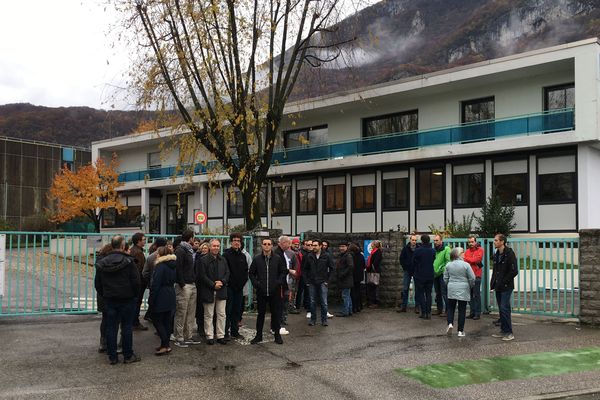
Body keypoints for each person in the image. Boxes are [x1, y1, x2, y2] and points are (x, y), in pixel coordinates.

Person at [94, 235, 141, 365]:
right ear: (122, 246)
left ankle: (112, 356)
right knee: (126, 327)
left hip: (110, 299)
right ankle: (127, 355)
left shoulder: (102, 262)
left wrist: (105, 294)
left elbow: (98, 283)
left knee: (111, 327)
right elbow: (136, 282)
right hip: (127, 299)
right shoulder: (129, 262)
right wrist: (134, 295)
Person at [249, 237, 287, 345]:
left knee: (276, 314)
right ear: (262, 246)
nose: (266, 246)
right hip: (261, 291)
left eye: (268, 244)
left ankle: (277, 335)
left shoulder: (277, 258)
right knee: (261, 314)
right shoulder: (256, 259)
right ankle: (258, 335)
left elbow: (283, 272)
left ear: (271, 246)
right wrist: (256, 284)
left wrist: (278, 282)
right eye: (264, 244)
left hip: (274, 291)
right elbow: (251, 273)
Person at [198, 238, 230, 345]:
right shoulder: (203, 260)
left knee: (221, 314)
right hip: (208, 290)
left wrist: (222, 282)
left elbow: (227, 273)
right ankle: (209, 336)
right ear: (210, 247)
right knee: (208, 314)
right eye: (214, 246)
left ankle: (220, 335)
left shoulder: (223, 259)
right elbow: (202, 276)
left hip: (222, 290)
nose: (216, 248)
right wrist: (213, 284)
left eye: (217, 246)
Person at [150, 246, 177, 355]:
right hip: (170, 293)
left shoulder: (160, 266)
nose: (156, 254)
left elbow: (155, 284)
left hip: (161, 295)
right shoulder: (173, 265)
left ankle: (165, 345)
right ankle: (165, 345)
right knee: (166, 321)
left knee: (157, 321)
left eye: (157, 253)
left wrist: (151, 299)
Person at [491, 234, 518, 341]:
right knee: (501, 309)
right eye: (494, 240)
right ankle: (503, 330)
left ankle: (509, 332)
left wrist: (503, 281)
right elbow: (495, 270)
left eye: (496, 240)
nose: (494, 242)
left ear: (502, 242)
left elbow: (514, 271)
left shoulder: (509, 254)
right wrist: (493, 282)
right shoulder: (497, 254)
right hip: (498, 285)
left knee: (504, 307)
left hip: (506, 286)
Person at [174, 229, 198, 348]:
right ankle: (179, 337)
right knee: (181, 312)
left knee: (190, 312)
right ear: (191, 238)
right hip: (184, 285)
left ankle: (188, 336)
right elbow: (177, 268)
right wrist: (182, 283)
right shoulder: (180, 250)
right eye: (194, 237)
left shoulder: (189, 250)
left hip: (192, 284)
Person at [444, 247, 476, 337]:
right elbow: (472, 277)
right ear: (458, 254)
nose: (464, 253)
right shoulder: (466, 265)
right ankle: (460, 331)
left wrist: (449, 284)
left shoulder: (448, 265)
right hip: (463, 288)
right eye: (462, 252)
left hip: (452, 287)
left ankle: (450, 323)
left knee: (451, 308)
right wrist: (470, 285)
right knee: (462, 310)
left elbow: (445, 278)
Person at [223, 233, 248, 340]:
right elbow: (225, 272)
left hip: (239, 289)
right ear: (231, 242)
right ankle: (225, 333)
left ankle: (235, 332)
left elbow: (245, 272)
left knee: (237, 310)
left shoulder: (243, 256)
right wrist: (230, 284)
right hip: (229, 288)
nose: (237, 242)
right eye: (235, 240)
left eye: (239, 240)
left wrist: (241, 285)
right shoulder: (226, 255)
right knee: (227, 311)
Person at [304, 240, 333, 326]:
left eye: (316, 245)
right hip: (312, 282)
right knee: (312, 301)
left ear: (320, 246)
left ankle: (324, 320)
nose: (314, 247)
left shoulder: (326, 256)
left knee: (324, 302)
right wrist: (307, 281)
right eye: (313, 245)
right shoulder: (309, 256)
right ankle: (313, 320)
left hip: (322, 281)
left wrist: (328, 281)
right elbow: (305, 269)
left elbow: (332, 268)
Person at [274, 235, 297, 334]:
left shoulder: (289, 253)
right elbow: (280, 268)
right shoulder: (277, 253)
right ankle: (277, 325)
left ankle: (281, 321)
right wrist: (289, 271)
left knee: (285, 302)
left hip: (287, 282)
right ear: (283, 243)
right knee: (279, 304)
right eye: (288, 243)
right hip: (280, 283)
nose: (290, 245)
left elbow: (294, 265)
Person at [142, 237, 168, 321]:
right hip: (167, 285)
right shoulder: (170, 256)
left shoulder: (150, 257)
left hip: (154, 284)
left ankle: (153, 318)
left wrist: (150, 281)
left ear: (155, 245)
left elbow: (145, 273)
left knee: (154, 302)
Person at [129, 232, 149, 331]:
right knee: (137, 302)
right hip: (139, 282)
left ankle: (134, 321)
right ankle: (135, 322)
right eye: (143, 239)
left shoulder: (133, 250)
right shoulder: (138, 253)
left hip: (135, 282)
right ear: (138, 241)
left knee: (135, 302)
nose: (145, 241)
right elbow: (140, 269)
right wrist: (143, 281)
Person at [413, 234, 435, 320]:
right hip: (430, 274)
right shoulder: (432, 251)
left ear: (421, 241)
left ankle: (423, 312)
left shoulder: (418, 250)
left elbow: (413, 261)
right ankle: (429, 312)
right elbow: (433, 259)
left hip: (420, 275)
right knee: (428, 294)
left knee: (421, 293)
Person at [463, 235, 484, 320]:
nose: (471, 243)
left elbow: (476, 260)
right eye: (469, 242)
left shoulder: (480, 250)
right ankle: (472, 312)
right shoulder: (467, 251)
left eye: (472, 242)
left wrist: (468, 258)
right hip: (468, 276)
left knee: (476, 295)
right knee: (469, 295)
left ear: (475, 242)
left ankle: (477, 313)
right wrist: (471, 259)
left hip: (476, 276)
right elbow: (468, 261)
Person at [399, 234, 418, 313]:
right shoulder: (405, 248)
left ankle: (417, 307)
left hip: (416, 270)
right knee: (405, 288)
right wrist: (405, 267)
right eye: (413, 240)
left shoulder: (418, 248)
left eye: (415, 240)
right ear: (410, 240)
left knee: (417, 289)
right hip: (407, 270)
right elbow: (401, 258)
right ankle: (404, 306)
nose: (414, 241)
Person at [334, 242, 354, 317]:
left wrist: (342, 274)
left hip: (346, 279)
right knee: (347, 296)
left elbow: (350, 266)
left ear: (347, 247)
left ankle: (345, 312)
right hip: (346, 279)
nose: (341, 248)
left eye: (343, 246)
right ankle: (349, 310)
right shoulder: (344, 255)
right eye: (340, 246)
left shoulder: (348, 255)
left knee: (345, 296)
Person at [433, 234, 451, 316]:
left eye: (437, 240)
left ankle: (448, 311)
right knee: (438, 293)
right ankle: (439, 309)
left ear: (441, 241)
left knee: (444, 292)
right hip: (435, 274)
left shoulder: (446, 249)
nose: (435, 242)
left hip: (443, 274)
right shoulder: (434, 250)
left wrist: (441, 269)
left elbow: (448, 261)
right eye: (434, 240)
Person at [296, 239, 312, 315]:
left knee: (308, 292)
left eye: (310, 245)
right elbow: (302, 267)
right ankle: (298, 305)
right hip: (303, 275)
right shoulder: (302, 253)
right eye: (307, 244)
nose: (309, 246)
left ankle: (307, 306)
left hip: (310, 276)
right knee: (301, 290)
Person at [366, 240, 382, 308]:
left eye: (372, 244)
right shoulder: (374, 251)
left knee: (374, 287)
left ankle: (374, 302)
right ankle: (371, 302)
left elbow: (375, 262)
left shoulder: (377, 252)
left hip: (374, 272)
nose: (371, 245)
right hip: (371, 271)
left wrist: (370, 267)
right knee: (371, 287)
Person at [349, 243, 365, 313]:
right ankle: (359, 306)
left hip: (352, 276)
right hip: (359, 276)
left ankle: (354, 307)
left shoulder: (351, 256)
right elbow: (364, 265)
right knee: (358, 291)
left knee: (353, 292)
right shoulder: (361, 256)